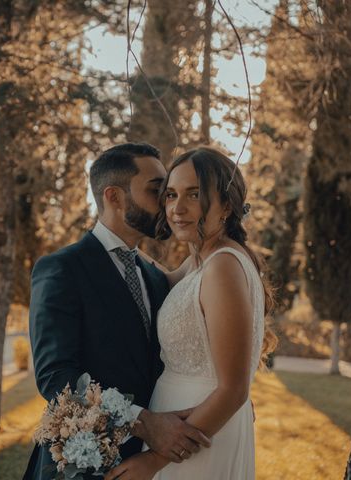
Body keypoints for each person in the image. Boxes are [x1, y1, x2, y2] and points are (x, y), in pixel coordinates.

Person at [23, 143, 211, 480]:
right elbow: (56, 378)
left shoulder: (154, 276)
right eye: (157, 190)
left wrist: (218, 398)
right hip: (78, 465)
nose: (167, 202)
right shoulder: (61, 269)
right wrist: (145, 423)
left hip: (147, 464)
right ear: (115, 197)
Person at [105, 146, 277, 480]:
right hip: (186, 427)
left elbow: (233, 389)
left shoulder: (223, 266)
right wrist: (110, 244)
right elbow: (158, 280)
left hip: (195, 435)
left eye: (194, 195)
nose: (177, 209)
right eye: (170, 195)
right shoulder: (204, 259)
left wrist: (155, 459)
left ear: (226, 204)